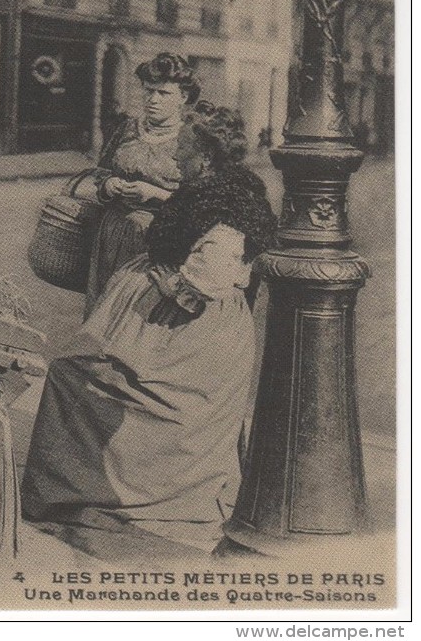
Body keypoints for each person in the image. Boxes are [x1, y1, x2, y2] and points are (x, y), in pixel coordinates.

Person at [21, 103, 278, 556]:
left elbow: (211, 278)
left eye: (183, 151)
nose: (175, 159)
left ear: (207, 157)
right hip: (171, 327)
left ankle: (95, 492)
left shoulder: (230, 202)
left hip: (187, 335)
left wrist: (171, 285)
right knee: (76, 371)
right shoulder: (208, 189)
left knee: (73, 379)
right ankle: (83, 485)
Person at [74, 53, 201, 315]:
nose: (152, 100)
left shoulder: (192, 140)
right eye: (148, 91)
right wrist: (109, 184)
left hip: (158, 243)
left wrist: (154, 193)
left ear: (183, 98)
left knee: (138, 316)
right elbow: (101, 171)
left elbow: (200, 201)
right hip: (111, 235)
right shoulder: (127, 129)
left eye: (164, 93)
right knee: (103, 311)